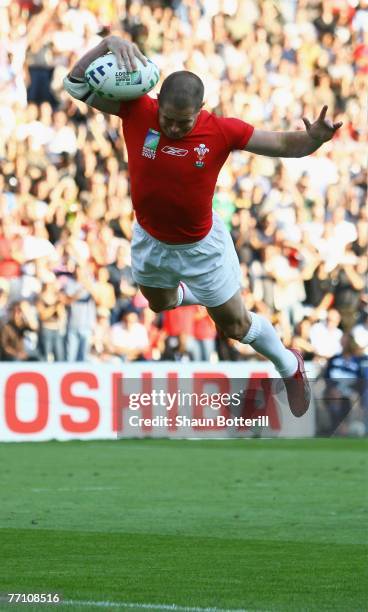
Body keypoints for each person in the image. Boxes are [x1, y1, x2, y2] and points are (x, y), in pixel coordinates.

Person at [64, 35, 343, 417]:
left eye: (184, 122)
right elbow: (75, 83)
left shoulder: (221, 131)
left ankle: (289, 365)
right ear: (156, 103)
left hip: (201, 248)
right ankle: (205, 294)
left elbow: (281, 144)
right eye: (167, 120)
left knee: (235, 326)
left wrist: (314, 140)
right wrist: (107, 45)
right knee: (158, 304)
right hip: (150, 239)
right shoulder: (134, 110)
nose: (175, 128)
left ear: (201, 110)